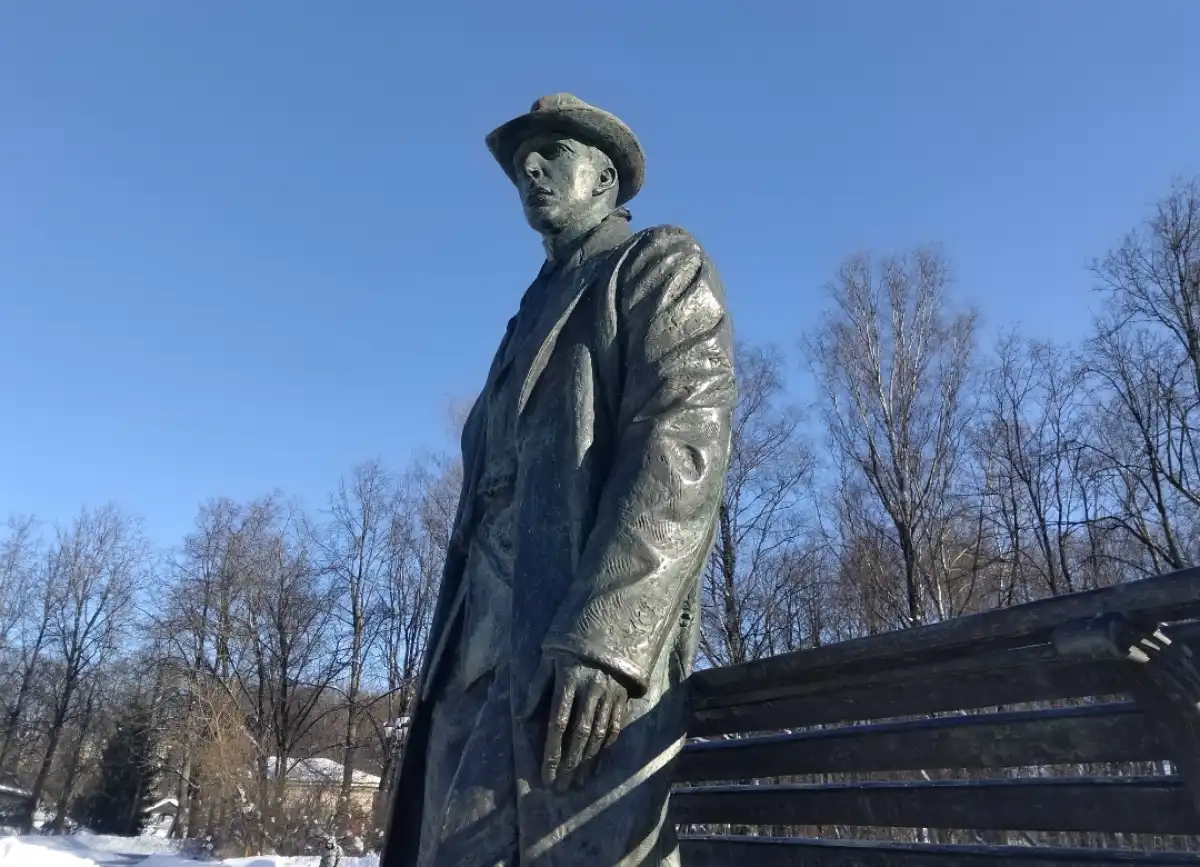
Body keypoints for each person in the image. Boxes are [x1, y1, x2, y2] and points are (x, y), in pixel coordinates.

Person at [380, 93, 735, 867]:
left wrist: (611, 635)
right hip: (474, 650)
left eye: (551, 153)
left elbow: (684, 443)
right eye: (519, 164)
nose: (529, 169)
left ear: (605, 178)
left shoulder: (655, 265)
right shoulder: (522, 320)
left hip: (579, 652)